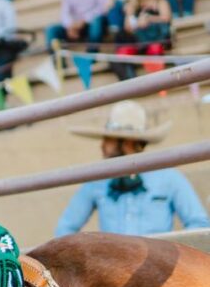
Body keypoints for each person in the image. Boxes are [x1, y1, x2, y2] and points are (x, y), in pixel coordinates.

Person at [56, 101, 208, 236]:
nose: (102, 146)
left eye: (108, 139)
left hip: (157, 265)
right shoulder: (96, 182)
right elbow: (65, 228)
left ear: (128, 142)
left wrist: (172, 259)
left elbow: (199, 225)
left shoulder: (169, 178)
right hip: (113, 266)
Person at [112, 0, 172, 80]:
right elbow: (128, 28)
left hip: (157, 39)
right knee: (121, 54)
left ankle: (158, 82)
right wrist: (129, 14)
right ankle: (131, 81)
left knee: (154, 49)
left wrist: (149, 18)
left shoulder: (161, 1)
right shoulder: (134, 5)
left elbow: (166, 18)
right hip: (138, 41)